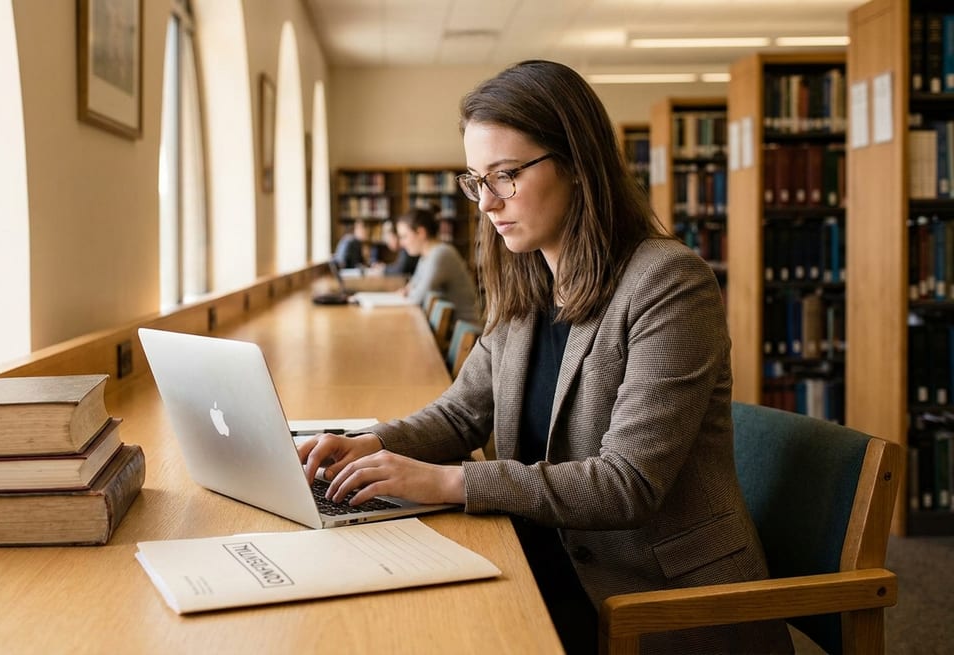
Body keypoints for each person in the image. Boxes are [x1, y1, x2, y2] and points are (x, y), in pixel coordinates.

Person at [298, 60, 792, 655]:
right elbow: (461, 417)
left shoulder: (667, 284)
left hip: (653, 599)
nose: (485, 202)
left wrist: (446, 481)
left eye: (505, 176)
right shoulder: (528, 279)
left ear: (579, 166)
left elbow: (626, 484)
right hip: (544, 560)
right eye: (476, 180)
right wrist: (373, 444)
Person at [395, 207, 479, 323]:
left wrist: (408, 293)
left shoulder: (441, 254)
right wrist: (407, 291)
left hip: (462, 333)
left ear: (421, 232)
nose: (401, 243)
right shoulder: (426, 256)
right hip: (447, 328)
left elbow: (416, 298)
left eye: (404, 236)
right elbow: (411, 287)